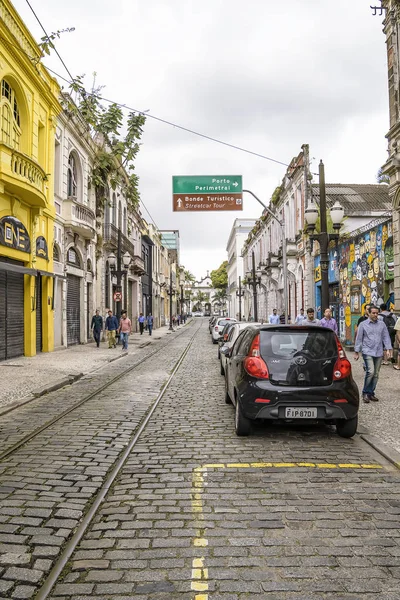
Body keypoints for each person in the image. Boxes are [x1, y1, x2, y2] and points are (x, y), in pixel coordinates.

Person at [354, 304, 393, 403]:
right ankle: (365, 392)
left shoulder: (382, 324)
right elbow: (359, 338)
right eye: (373, 313)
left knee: (376, 374)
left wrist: (388, 349)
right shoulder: (363, 324)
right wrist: (356, 352)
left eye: (377, 313)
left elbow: (385, 337)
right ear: (369, 313)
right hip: (367, 351)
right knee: (370, 371)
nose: (376, 315)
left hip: (378, 351)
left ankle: (371, 393)